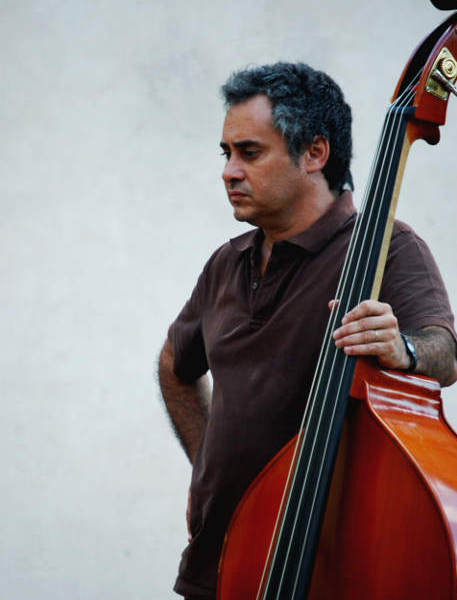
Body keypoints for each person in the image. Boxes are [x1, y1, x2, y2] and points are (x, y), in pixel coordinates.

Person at [158, 62, 457, 600]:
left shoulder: (389, 249)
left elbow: (446, 353)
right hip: (219, 568)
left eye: (249, 153)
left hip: (324, 568)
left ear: (315, 153)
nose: (229, 172)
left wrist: (404, 348)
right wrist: (204, 466)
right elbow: (174, 365)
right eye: (226, 154)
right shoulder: (226, 263)